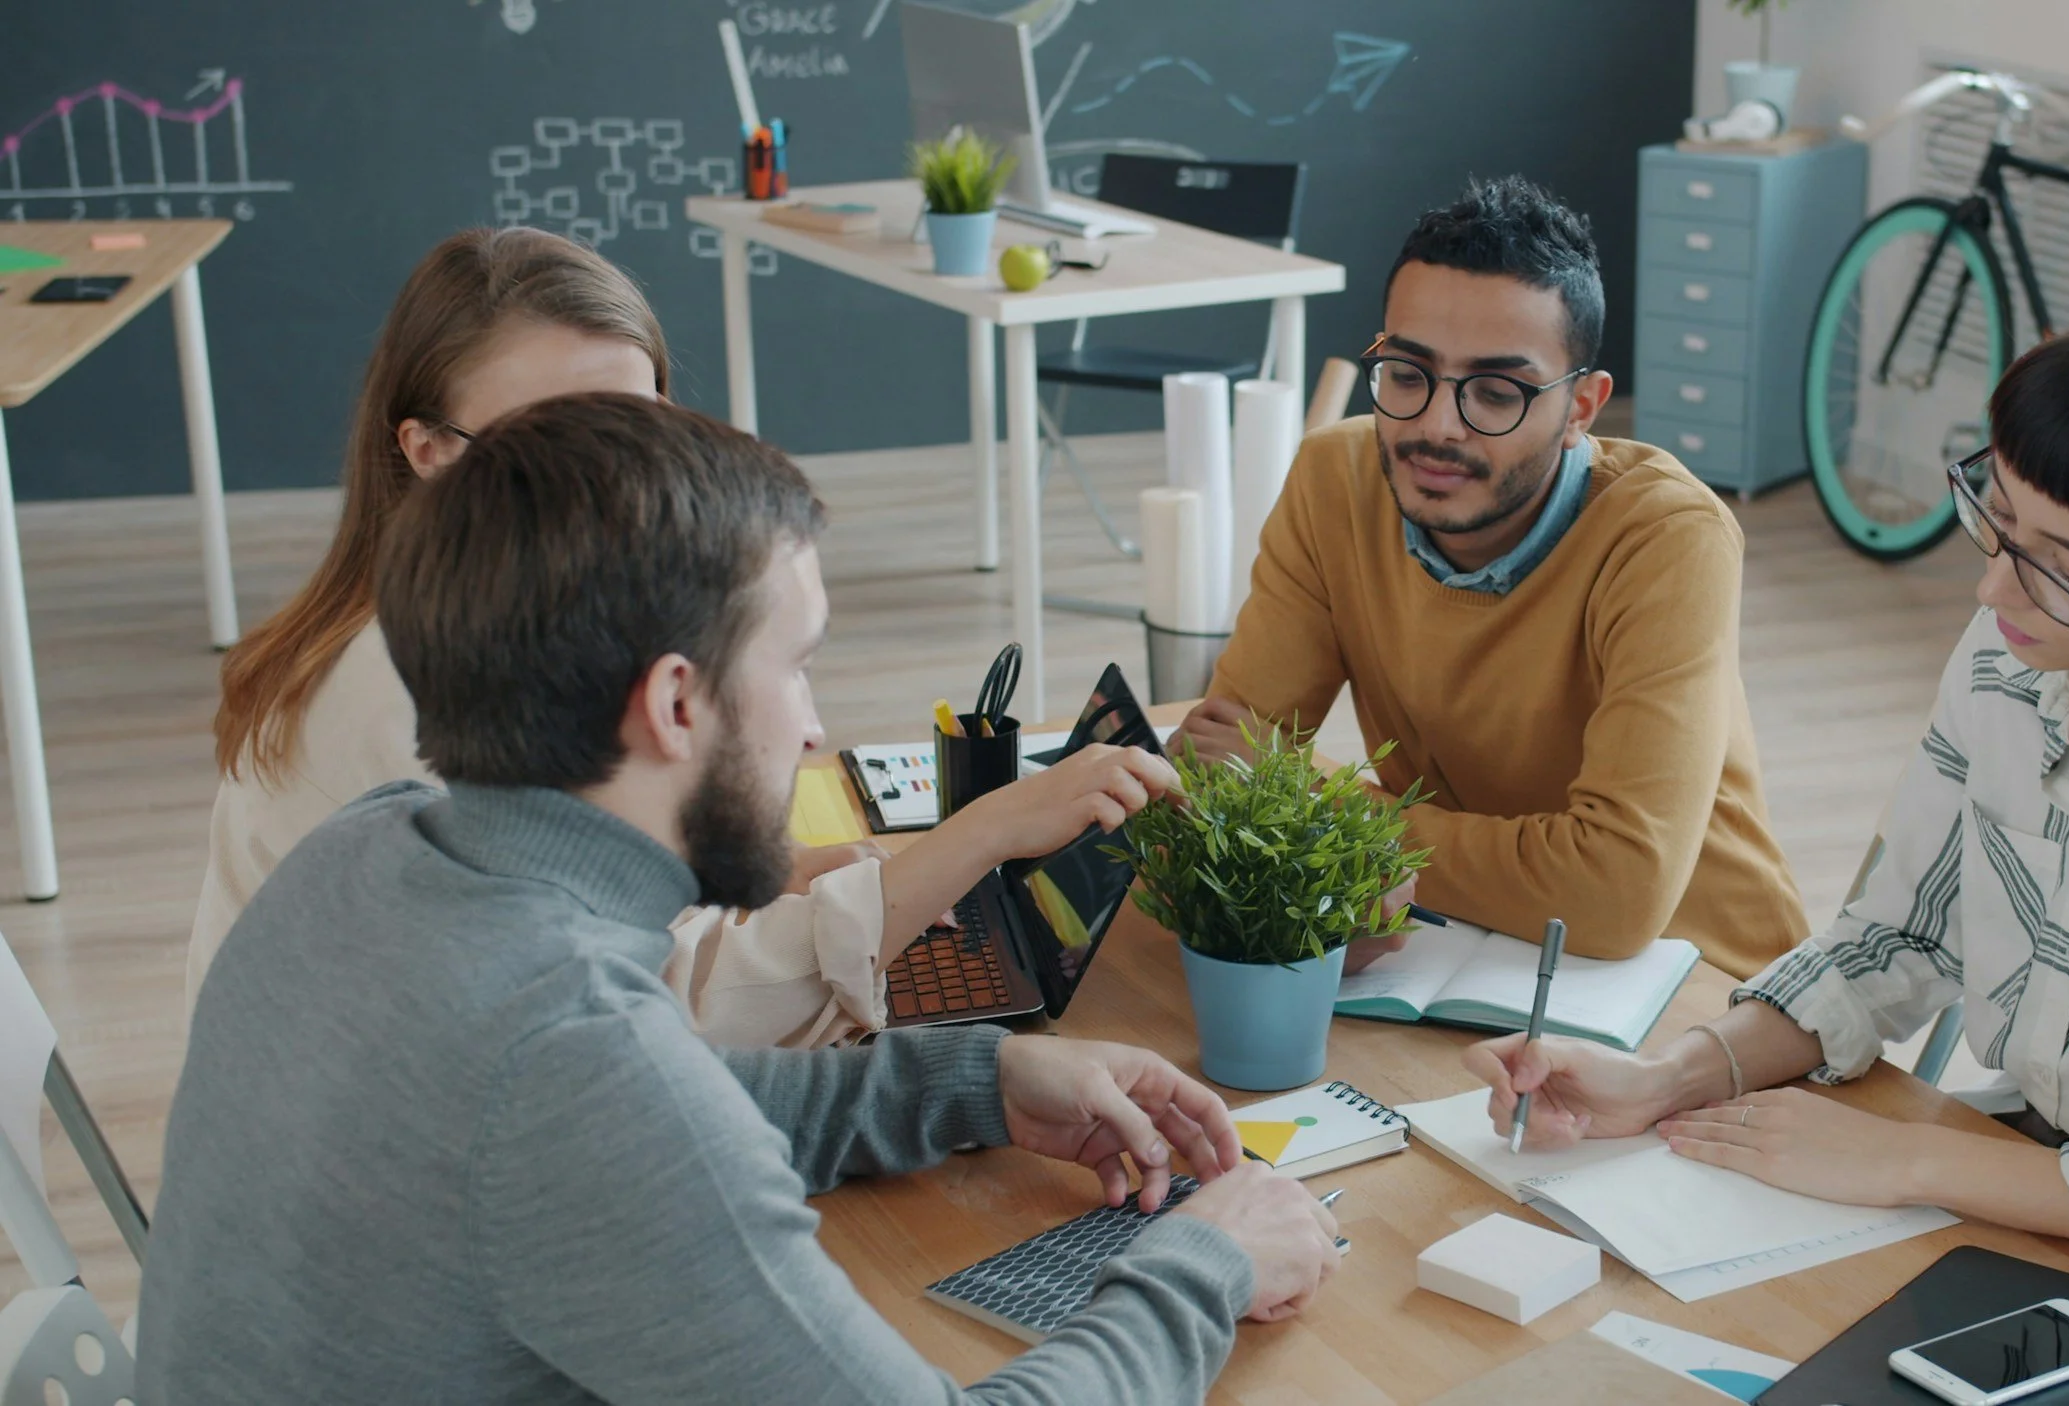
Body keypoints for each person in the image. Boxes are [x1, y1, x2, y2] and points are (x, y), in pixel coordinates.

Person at [140, 394, 1342, 1401]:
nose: (814, 722)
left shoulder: (369, 851)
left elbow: (674, 1108)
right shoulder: (568, 1056)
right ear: (676, 704)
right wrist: (1203, 1261)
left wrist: (973, 1079)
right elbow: (624, 1112)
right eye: (796, 661)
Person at [1465, 281, 2069, 1302]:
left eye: (2068, 567)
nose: (1993, 591)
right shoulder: (2012, 656)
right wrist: (1670, 1074)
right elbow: (1893, 940)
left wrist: (1912, 1160)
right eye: (2001, 517)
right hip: (2016, 1208)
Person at [200, 228, 866, 1047]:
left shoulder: (508, 613)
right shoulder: (420, 688)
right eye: (551, 438)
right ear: (430, 452)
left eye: (637, 424)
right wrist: (963, 853)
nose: (618, 474)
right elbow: (653, 1010)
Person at [1180, 176, 1806, 977]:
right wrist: (1274, 799)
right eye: (1407, 376)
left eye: (1495, 392)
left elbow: (1615, 895)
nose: (1437, 426)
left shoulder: (1666, 536)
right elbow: (1220, 770)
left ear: (1583, 406)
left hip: (1691, 987)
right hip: (1449, 951)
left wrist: (1310, 807)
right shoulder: (1336, 476)